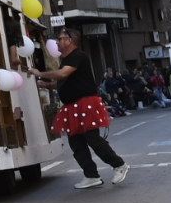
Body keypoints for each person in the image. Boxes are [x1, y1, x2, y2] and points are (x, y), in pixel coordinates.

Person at [34, 27, 128, 190]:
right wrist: (47, 85)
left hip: (85, 103)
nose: (57, 41)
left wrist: (40, 73)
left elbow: (63, 74)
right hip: (72, 107)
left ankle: (119, 164)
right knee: (76, 142)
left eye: (61, 38)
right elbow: (65, 82)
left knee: (92, 138)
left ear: (70, 40)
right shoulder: (67, 59)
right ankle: (91, 175)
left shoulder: (78, 56)